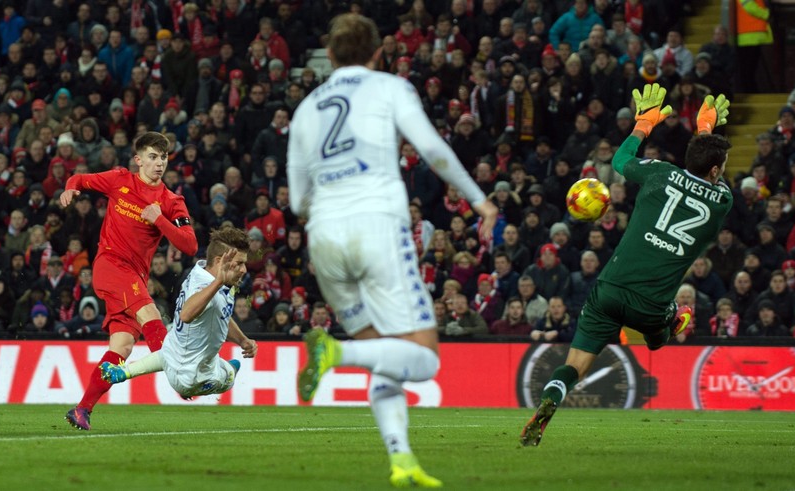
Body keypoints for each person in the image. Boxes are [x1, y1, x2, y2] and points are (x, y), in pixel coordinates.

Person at [286, 14, 498, 488]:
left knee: (384, 354)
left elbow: (297, 200)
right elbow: (432, 148)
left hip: (324, 236)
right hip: (377, 225)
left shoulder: (304, 110)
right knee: (423, 359)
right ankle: (334, 352)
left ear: (332, 54)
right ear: (377, 53)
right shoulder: (389, 87)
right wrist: (479, 200)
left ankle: (401, 460)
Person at [520, 83, 733, 446]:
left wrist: (643, 125)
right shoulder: (723, 200)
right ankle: (672, 319)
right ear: (715, 171)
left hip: (609, 291)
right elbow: (707, 179)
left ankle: (550, 398)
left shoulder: (660, 173)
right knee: (658, 338)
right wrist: (704, 131)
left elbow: (619, 163)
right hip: (650, 304)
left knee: (574, 366)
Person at [59, 131, 199, 431]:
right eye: (152, 157)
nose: (159, 163)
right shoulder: (119, 180)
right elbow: (79, 179)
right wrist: (70, 188)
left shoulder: (171, 201)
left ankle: (82, 409)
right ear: (138, 160)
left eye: (163, 158)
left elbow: (190, 246)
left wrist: (159, 220)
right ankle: (182, 379)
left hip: (134, 278)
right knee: (152, 316)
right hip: (109, 265)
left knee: (120, 349)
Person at [100, 227, 257, 399]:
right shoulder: (210, 287)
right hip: (190, 378)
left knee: (170, 351)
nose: (244, 270)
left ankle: (125, 371)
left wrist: (242, 340)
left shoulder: (200, 270)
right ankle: (220, 375)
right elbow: (186, 314)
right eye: (239, 263)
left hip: (173, 353)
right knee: (229, 375)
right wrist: (218, 282)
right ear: (220, 261)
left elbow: (222, 314)